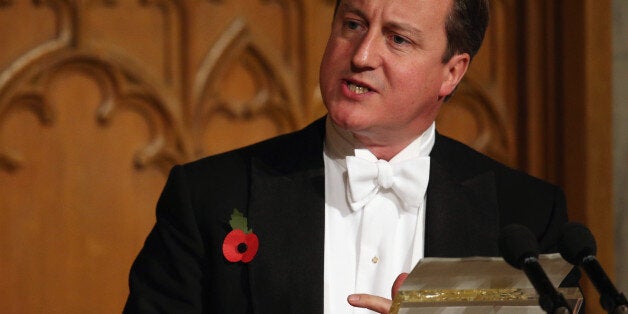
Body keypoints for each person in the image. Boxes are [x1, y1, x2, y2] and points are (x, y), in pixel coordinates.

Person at [124, 0, 575, 313]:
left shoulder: (528, 217)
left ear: (451, 72)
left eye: (397, 39)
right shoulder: (210, 196)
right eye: (354, 24)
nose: (361, 55)